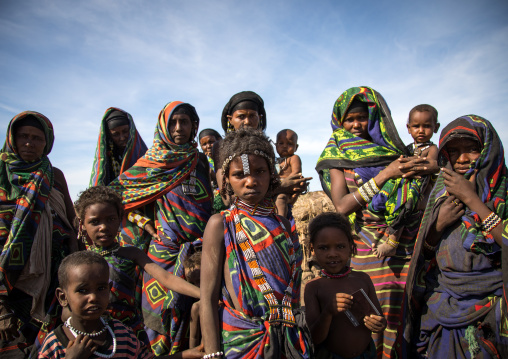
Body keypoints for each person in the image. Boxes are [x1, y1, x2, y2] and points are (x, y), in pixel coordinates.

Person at [315, 86, 428, 358]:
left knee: (401, 319)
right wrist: (386, 175)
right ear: (339, 121)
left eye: (361, 118)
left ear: (375, 117)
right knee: (370, 317)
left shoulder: (391, 150)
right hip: (366, 252)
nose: (356, 125)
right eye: (349, 119)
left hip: (402, 248)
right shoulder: (337, 156)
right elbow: (342, 206)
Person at [399, 115, 508, 358]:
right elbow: (425, 256)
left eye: (472, 150)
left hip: (491, 309)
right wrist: (437, 226)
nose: (461, 159)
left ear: (489, 149)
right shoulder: (439, 192)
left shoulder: (504, 191)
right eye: (454, 151)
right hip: (443, 305)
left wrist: (472, 200)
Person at [109, 101, 213, 355]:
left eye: (185, 122)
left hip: (201, 251)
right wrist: (144, 223)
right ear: (163, 126)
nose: (179, 128)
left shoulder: (200, 161)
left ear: (194, 125)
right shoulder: (152, 162)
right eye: (173, 122)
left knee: (200, 312)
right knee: (158, 317)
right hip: (164, 252)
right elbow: (116, 195)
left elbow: (208, 201)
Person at [200, 129, 312, 359]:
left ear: (272, 174)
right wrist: (213, 354)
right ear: (228, 180)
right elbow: (208, 298)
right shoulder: (220, 224)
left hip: (289, 339)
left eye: (260, 171)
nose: (251, 181)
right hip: (244, 340)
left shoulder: (283, 224)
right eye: (240, 174)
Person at [0, 111, 77, 358]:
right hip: (11, 276)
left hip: (55, 270)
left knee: (50, 337)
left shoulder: (54, 175)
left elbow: (70, 217)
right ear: (12, 138)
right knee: (12, 340)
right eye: (23, 136)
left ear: (47, 143)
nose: (29, 143)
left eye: (37, 138)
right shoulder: (3, 175)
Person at [38, 251, 204, 358]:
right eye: (82, 290)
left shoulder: (121, 334)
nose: (93, 297)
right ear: (62, 297)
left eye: (101, 288)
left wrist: (187, 354)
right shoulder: (55, 343)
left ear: (110, 290)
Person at [305, 212, 386, 359]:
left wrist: (379, 323)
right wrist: (328, 312)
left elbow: (378, 317)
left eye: (340, 246)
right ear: (312, 249)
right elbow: (314, 338)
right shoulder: (314, 287)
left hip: (366, 354)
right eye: (323, 248)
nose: (332, 254)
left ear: (351, 246)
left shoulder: (363, 279)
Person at [371, 104, 440, 258]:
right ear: (408, 128)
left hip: (418, 188)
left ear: (436, 127)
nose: (421, 130)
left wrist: (412, 166)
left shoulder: (431, 148)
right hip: (405, 184)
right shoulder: (407, 148)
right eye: (416, 126)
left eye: (427, 126)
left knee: (404, 207)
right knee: (390, 203)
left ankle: (392, 243)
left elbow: (433, 165)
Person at [89, 107, 148, 186]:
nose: (122, 137)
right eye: (115, 134)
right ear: (109, 136)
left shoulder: (143, 155)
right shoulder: (107, 159)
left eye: (125, 131)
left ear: (131, 130)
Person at [275, 129, 303, 218]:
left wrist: (284, 182)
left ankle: (282, 222)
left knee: (280, 199)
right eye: (281, 143)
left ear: (296, 147)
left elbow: (296, 173)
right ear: (275, 145)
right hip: (277, 188)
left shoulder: (294, 158)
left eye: (289, 144)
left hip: (288, 189)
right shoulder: (275, 161)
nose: (285, 146)